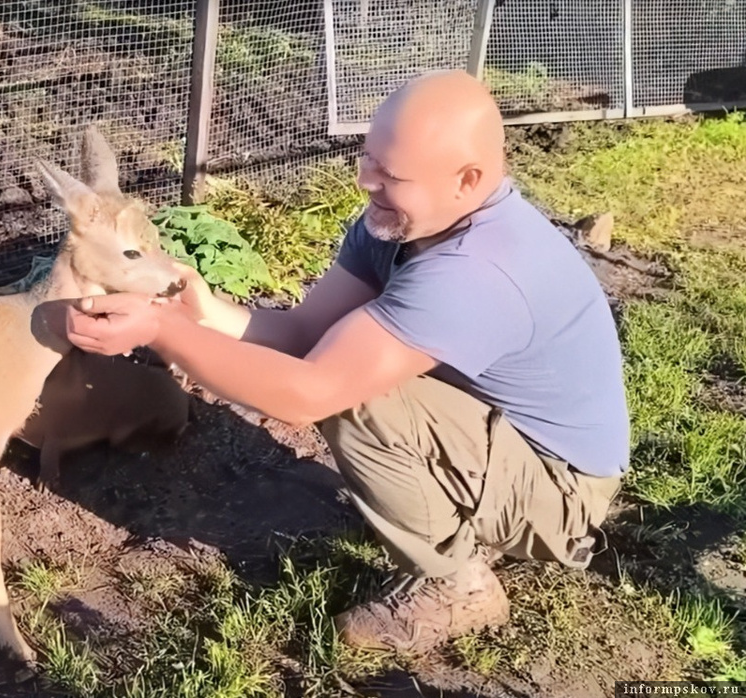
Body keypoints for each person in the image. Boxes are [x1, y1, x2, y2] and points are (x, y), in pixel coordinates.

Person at [58, 69, 631, 654]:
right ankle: (444, 510)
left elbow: (310, 394)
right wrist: (205, 312)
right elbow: (307, 330)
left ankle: (457, 583)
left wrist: (162, 331)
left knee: (363, 397)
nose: (367, 184)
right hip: (493, 433)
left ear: (468, 180)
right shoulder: (405, 220)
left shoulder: (476, 271)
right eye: (368, 161)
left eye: (390, 176)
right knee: (351, 364)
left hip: (560, 490)